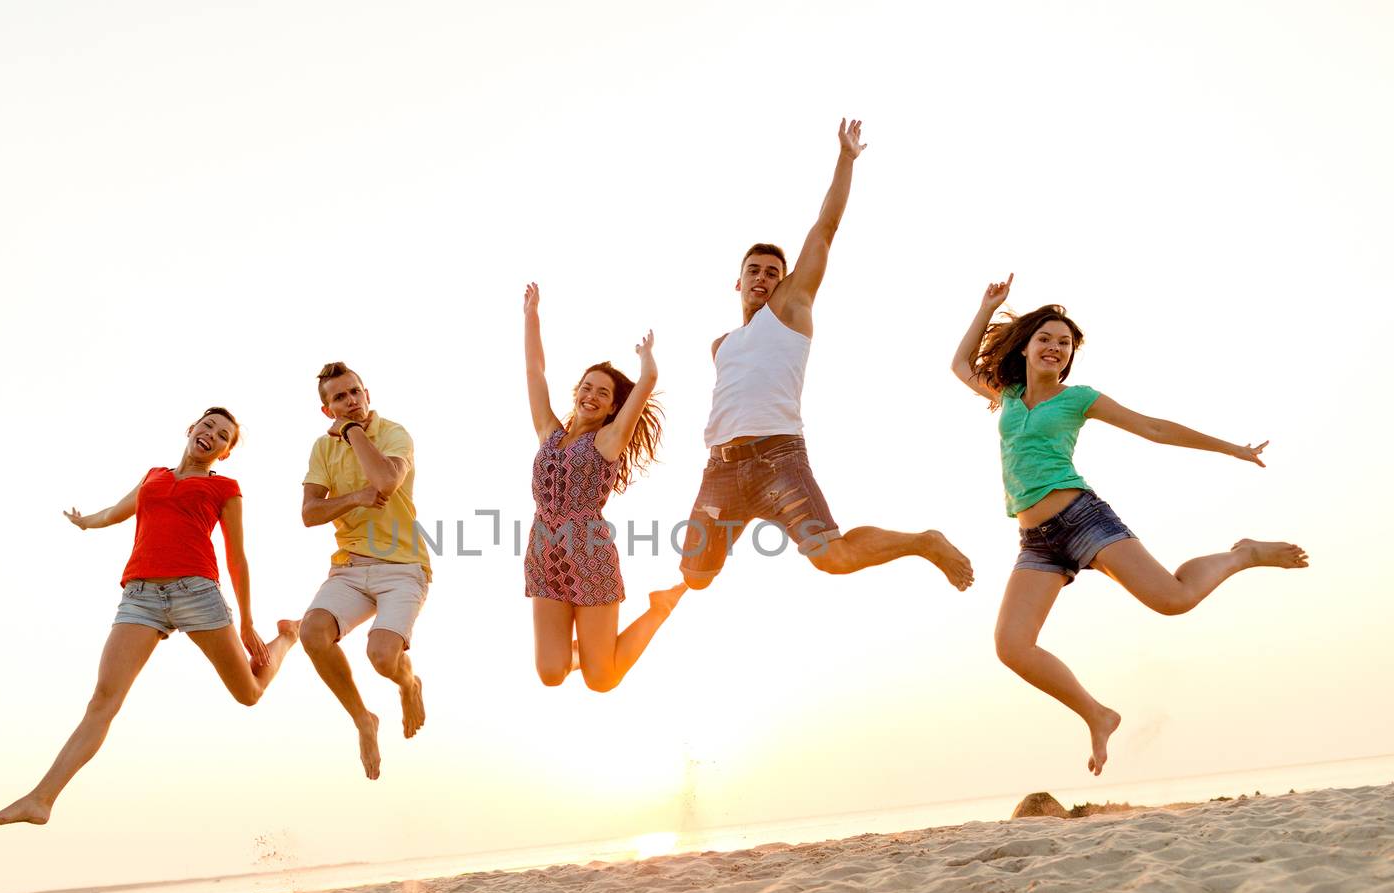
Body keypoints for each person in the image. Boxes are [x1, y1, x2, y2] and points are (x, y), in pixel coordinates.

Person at [950, 274, 1309, 775]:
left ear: (1070, 356)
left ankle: (1243, 553)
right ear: (1027, 347)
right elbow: (960, 365)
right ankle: (1097, 715)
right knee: (1011, 647)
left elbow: (1155, 429)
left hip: (1082, 519)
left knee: (1173, 600)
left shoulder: (1080, 399)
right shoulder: (1007, 396)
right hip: (1036, 541)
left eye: (1065, 343)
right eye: (1046, 339)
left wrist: (1234, 448)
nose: (1055, 347)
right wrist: (987, 307)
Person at [681, 118, 974, 592]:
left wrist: (845, 158)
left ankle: (924, 541)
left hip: (779, 459)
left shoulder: (791, 309)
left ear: (784, 282)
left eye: (772, 273)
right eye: (752, 271)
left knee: (832, 559)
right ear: (738, 281)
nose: (761, 278)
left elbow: (826, 227)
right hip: (722, 470)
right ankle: (739, 520)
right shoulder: (721, 346)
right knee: (695, 578)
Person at [0, 407, 298, 826]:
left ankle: (288, 638)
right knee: (102, 700)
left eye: (223, 436)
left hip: (197, 592)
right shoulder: (154, 476)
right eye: (207, 426)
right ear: (191, 429)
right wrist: (84, 523)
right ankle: (41, 800)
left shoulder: (225, 488)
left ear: (223, 452)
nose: (212, 435)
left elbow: (236, 557)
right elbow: (116, 511)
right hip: (140, 597)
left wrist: (246, 621)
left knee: (249, 693)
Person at [522, 282, 685, 691]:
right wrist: (531, 317)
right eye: (587, 387)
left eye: (603, 393)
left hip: (589, 555)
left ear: (613, 406)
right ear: (576, 393)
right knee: (550, 673)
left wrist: (647, 365)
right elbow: (535, 372)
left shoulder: (608, 442)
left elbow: (645, 386)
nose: (592, 395)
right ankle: (588, 645)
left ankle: (659, 609)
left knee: (601, 679)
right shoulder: (549, 433)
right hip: (544, 549)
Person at [298, 363, 430, 781]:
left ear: (367, 394)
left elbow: (387, 482)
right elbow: (309, 513)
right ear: (327, 409)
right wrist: (354, 496)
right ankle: (363, 719)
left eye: (355, 392)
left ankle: (409, 683)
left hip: (403, 568)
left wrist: (353, 431)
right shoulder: (322, 449)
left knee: (381, 657)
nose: (350, 401)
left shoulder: (393, 433)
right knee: (311, 634)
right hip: (350, 569)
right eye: (339, 398)